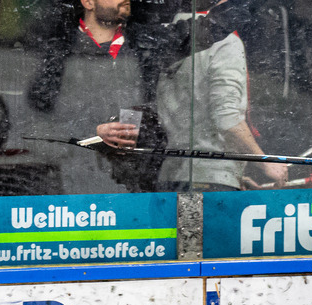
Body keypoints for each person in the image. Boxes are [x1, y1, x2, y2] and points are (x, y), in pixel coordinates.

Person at [96, 1, 289, 192]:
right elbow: (227, 120)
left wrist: (234, 175)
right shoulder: (224, 42)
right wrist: (265, 163)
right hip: (209, 179)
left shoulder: (168, 40)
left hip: (172, 175)